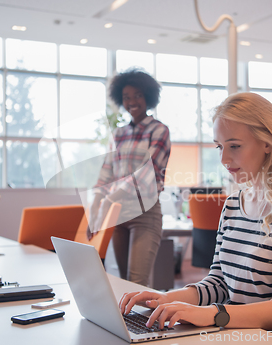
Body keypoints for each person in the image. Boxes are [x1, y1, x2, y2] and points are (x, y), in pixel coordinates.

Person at [119, 92, 272, 345]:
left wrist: (214, 314)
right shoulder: (233, 204)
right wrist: (166, 298)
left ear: (268, 143)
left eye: (235, 146)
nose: (223, 159)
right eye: (220, 146)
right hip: (239, 332)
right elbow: (219, 282)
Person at [87, 68, 171, 287]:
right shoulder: (119, 134)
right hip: (119, 214)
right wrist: (95, 206)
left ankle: (143, 323)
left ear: (148, 97)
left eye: (138, 95)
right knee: (123, 283)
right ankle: (125, 323)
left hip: (145, 212)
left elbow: (147, 172)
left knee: (137, 283)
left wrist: (111, 197)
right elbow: (107, 171)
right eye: (126, 97)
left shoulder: (159, 130)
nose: (132, 101)